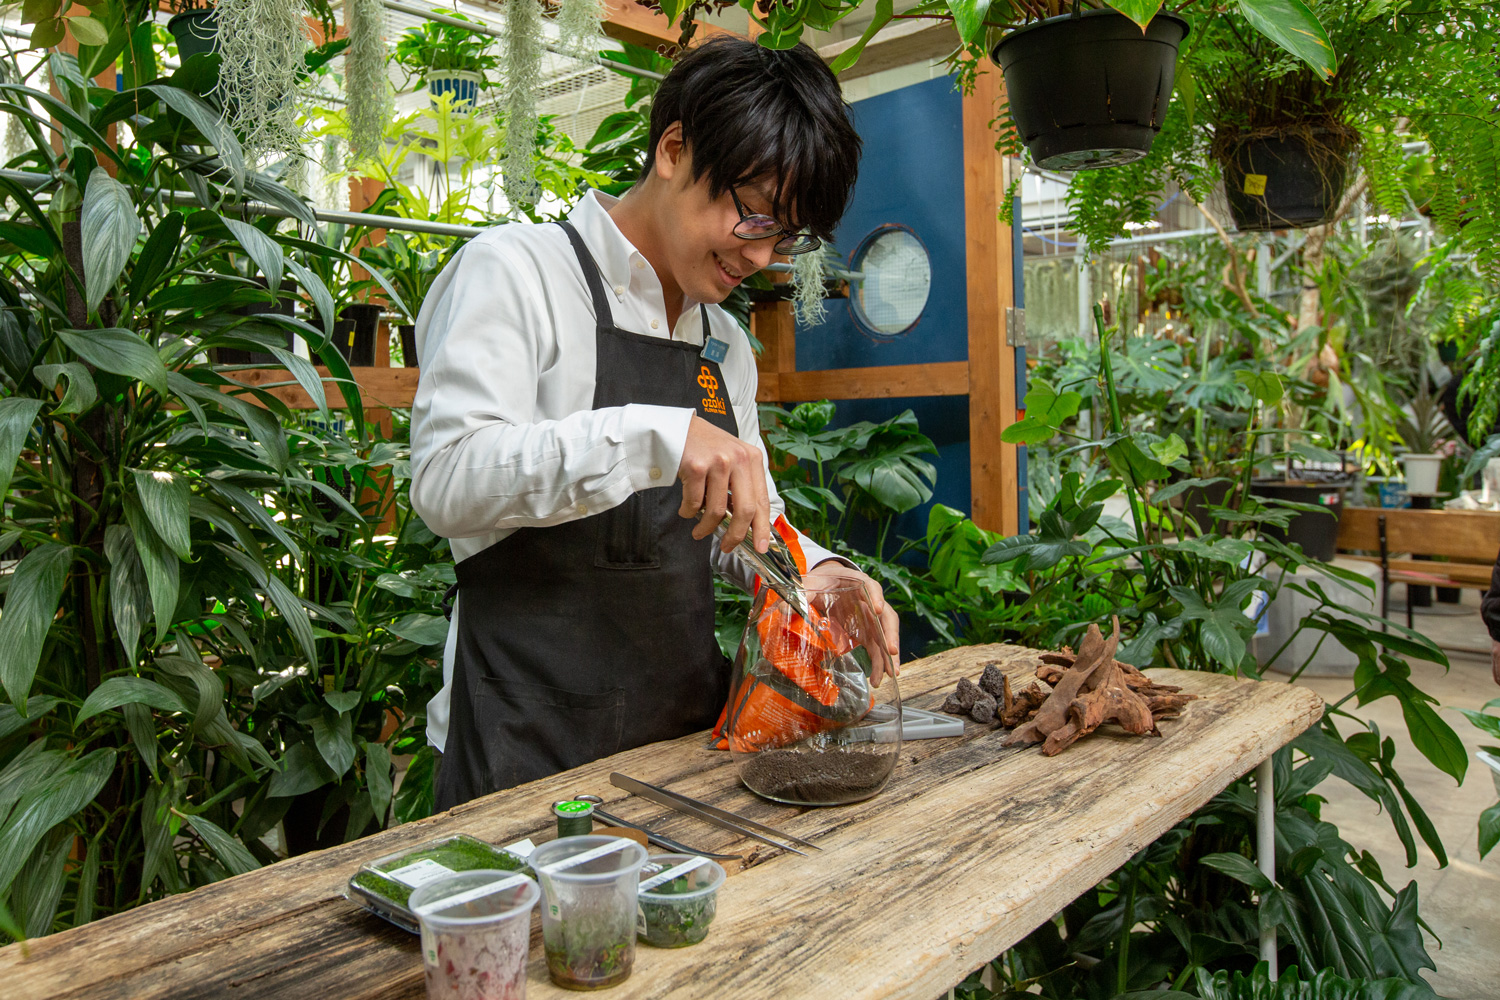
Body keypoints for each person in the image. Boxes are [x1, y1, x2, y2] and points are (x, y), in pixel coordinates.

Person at [409, 37, 898, 811]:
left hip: (682, 763)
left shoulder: (723, 344)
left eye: (787, 235)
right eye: (755, 217)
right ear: (675, 148)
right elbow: (446, 479)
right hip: (520, 759)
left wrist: (818, 572)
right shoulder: (518, 273)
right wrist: (655, 436)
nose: (763, 254)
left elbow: (745, 513)